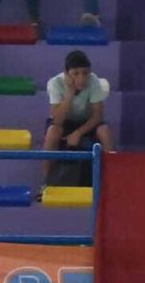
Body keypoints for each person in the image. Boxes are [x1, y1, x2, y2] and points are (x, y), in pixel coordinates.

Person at [41, 50, 113, 189]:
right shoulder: (55, 83)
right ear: (67, 74)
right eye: (76, 74)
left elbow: (98, 116)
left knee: (104, 131)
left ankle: (112, 181)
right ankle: (45, 183)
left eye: (85, 73)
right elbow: (57, 120)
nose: (81, 79)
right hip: (63, 123)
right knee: (53, 131)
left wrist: (78, 133)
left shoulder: (94, 81)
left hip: (87, 123)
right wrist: (69, 93)